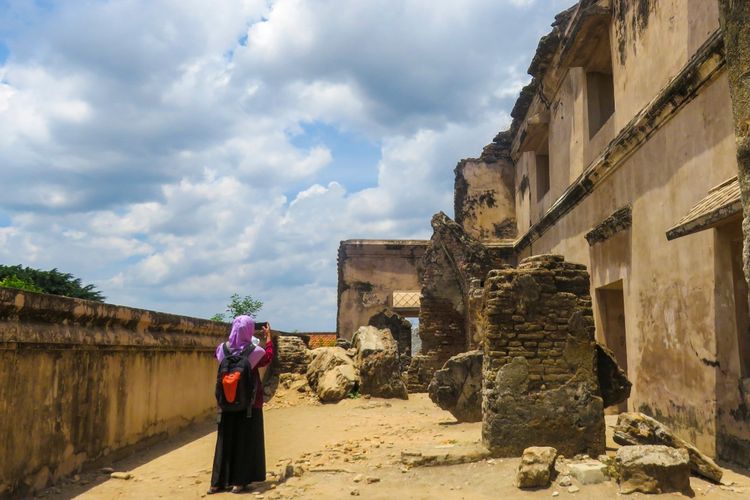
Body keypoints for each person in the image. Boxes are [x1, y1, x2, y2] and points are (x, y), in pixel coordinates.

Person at [208, 315, 274, 494]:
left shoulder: (222, 349)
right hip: (249, 404)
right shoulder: (256, 351)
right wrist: (268, 337)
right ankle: (239, 482)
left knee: (224, 440)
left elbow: (218, 358)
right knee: (245, 440)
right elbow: (268, 358)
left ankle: (217, 483)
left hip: (226, 403)